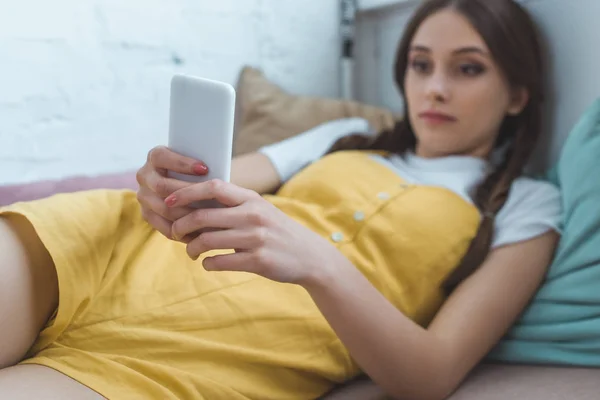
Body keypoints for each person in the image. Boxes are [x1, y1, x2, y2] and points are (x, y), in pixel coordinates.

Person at [0, 0, 562, 398]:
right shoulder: (342, 135)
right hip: (106, 247)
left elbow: (431, 375)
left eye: (467, 68)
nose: (435, 87)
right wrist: (161, 185)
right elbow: (212, 185)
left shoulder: (526, 205)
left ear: (516, 94)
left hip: (216, 352)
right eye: (420, 64)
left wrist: (319, 263)